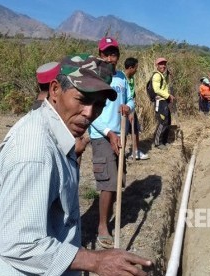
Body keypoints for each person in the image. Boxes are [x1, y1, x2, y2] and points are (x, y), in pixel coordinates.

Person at [0, 54, 151, 275]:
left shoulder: (57, 134)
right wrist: (93, 261)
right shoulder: (35, 152)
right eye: (83, 100)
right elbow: (20, 244)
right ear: (55, 90)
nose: (89, 113)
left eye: (99, 105)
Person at [88, 37, 135, 249]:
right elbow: (90, 113)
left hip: (119, 133)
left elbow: (131, 99)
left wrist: (128, 107)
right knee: (107, 183)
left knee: (118, 180)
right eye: (106, 53)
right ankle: (102, 227)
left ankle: (110, 216)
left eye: (113, 53)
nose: (110, 57)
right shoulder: (94, 78)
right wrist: (108, 134)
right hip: (102, 135)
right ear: (100, 54)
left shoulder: (122, 78)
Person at [124, 57, 149, 160]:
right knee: (123, 132)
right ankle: (120, 154)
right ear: (130, 68)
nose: (137, 70)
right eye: (136, 68)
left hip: (131, 108)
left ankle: (135, 152)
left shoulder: (132, 78)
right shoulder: (122, 79)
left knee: (135, 129)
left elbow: (132, 93)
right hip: (124, 110)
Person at [152, 57, 175, 150]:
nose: (163, 66)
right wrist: (168, 96)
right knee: (163, 122)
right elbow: (156, 89)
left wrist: (168, 76)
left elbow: (164, 86)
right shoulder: (157, 75)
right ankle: (158, 143)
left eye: (164, 64)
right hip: (160, 102)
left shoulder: (161, 75)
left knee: (167, 121)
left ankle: (164, 141)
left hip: (164, 101)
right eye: (161, 64)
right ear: (157, 65)